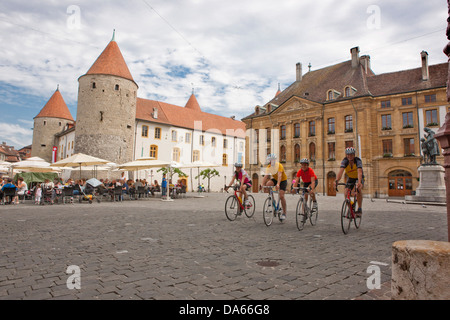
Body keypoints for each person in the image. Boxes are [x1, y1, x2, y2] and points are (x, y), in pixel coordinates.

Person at [334, 147, 364, 217]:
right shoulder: (345, 161)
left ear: (354, 155)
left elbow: (360, 172)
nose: (349, 156)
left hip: (358, 177)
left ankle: (359, 209)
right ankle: (351, 207)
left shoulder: (358, 161)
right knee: (345, 192)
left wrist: (359, 182)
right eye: (348, 155)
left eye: (351, 155)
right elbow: (341, 172)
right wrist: (337, 181)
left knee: (358, 189)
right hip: (350, 178)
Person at [260, 154, 288, 221]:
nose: (270, 161)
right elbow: (266, 176)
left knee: (281, 196)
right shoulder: (269, 167)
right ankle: (272, 199)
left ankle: (284, 213)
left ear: (274, 160)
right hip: (275, 179)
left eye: (271, 160)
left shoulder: (279, 165)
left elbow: (280, 176)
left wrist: (278, 184)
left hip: (283, 180)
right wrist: (261, 184)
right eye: (269, 160)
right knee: (268, 184)